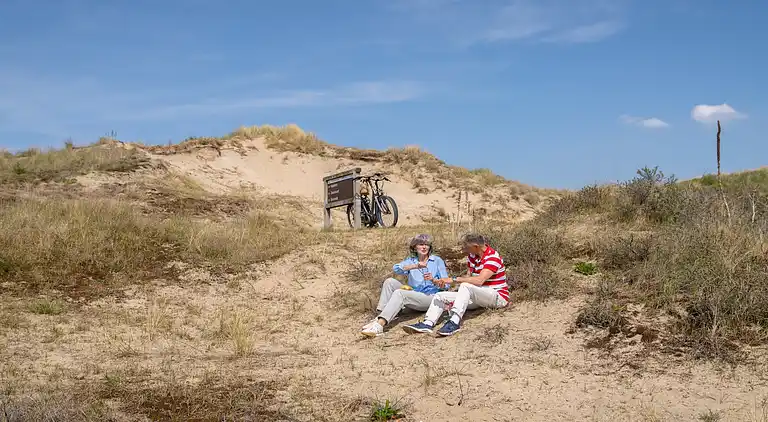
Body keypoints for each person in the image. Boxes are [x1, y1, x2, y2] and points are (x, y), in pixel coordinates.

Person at [402, 233, 509, 337]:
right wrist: (448, 286)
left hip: (497, 296)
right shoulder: (473, 256)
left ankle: (454, 322)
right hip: (478, 295)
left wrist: (453, 280)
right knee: (440, 296)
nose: (465, 250)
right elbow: (468, 277)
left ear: (476, 246)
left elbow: (479, 280)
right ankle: (428, 323)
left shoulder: (492, 258)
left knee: (465, 285)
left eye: (467, 247)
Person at [360, 234, 449, 337]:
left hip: (431, 297)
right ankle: (379, 317)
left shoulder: (437, 261)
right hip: (414, 294)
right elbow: (396, 269)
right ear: (415, 247)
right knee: (389, 282)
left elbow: (446, 285)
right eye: (421, 244)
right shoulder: (411, 260)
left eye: (427, 245)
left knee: (400, 293)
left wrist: (434, 280)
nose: (424, 247)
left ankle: (379, 326)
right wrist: (415, 266)